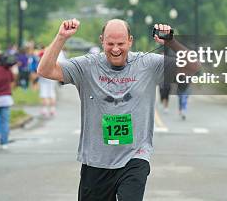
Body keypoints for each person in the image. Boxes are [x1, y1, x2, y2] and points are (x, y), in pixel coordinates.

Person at [37, 19, 199, 201]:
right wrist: (61, 37)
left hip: (135, 156)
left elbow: (193, 67)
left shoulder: (148, 64)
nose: (115, 49)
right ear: (102, 41)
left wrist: (171, 43)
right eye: (110, 44)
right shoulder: (86, 66)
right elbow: (45, 70)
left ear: (130, 41)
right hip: (96, 161)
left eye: (121, 44)